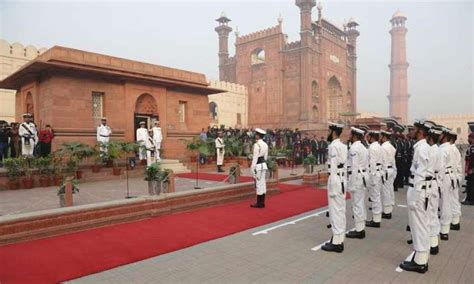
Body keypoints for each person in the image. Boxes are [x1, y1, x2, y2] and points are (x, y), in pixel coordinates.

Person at [399, 119, 433, 274]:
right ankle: (422, 257)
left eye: (413, 129)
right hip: (423, 190)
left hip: (418, 191)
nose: (410, 132)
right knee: (422, 225)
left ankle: (420, 262)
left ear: (420, 132)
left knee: (418, 226)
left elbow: (420, 174)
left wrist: (413, 198)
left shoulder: (421, 149)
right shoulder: (424, 147)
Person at [321, 123, 347, 253]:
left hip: (335, 179)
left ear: (333, 132)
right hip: (342, 179)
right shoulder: (343, 145)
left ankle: (337, 243)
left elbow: (334, 166)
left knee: (335, 211)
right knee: (340, 210)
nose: (327, 133)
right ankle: (338, 238)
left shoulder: (333, 146)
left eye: (329, 131)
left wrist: (331, 184)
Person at [346, 127, 369, 239]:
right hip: (363, 177)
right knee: (360, 203)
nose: (349, 136)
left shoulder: (354, 148)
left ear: (355, 136)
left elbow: (354, 167)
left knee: (357, 204)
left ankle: (359, 230)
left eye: (351, 134)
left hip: (357, 177)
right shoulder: (363, 147)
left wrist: (352, 183)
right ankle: (360, 227)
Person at [426, 125, 442, 255]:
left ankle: (432, 244)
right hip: (436, 182)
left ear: (430, 138)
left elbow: (428, 169)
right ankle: (434, 242)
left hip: (430, 183)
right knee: (433, 213)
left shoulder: (432, 151)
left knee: (430, 214)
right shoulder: (439, 149)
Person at [366, 131, 384, 228]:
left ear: (372, 137)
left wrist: (371, 177)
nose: (367, 138)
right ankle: (376, 217)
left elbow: (372, 162)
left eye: (368, 137)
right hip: (379, 172)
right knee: (377, 196)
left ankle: (376, 220)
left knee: (375, 197)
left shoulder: (372, 147)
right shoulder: (379, 146)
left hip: (374, 174)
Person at [438, 127, 453, 240]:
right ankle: (445, 228)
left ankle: (443, 230)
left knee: (443, 203)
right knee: (446, 202)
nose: (439, 136)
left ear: (445, 136)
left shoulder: (443, 149)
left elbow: (440, 167)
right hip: (450, 175)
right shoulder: (452, 148)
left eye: (440, 135)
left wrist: (438, 181)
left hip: (444, 177)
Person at [250, 128, 269, 208]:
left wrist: (252, 167)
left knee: (258, 184)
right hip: (263, 165)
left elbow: (255, 158)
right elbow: (266, 157)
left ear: (258, 135)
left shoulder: (256, 145)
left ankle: (259, 203)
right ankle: (262, 202)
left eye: (256, 134)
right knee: (263, 183)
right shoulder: (265, 144)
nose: (255, 135)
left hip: (258, 166)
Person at [380, 130, 397, 219]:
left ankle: (387, 212)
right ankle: (389, 208)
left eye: (381, 136)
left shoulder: (383, 147)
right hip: (391, 170)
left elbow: (383, 161)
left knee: (385, 191)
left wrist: (382, 172)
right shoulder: (391, 147)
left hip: (385, 170)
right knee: (390, 189)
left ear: (384, 137)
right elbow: (393, 161)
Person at [448, 130, 462, 231]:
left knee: (453, 199)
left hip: (452, 176)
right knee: (453, 199)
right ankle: (454, 220)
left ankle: (455, 222)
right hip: (454, 176)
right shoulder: (453, 149)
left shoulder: (451, 150)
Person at [462, 129, 474, 205]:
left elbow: (473, 159)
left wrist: (472, 169)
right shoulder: (471, 147)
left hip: (472, 170)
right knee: (469, 184)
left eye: (469, 138)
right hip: (469, 169)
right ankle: (469, 199)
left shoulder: (473, 148)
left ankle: (471, 200)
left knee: (471, 185)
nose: (468, 139)